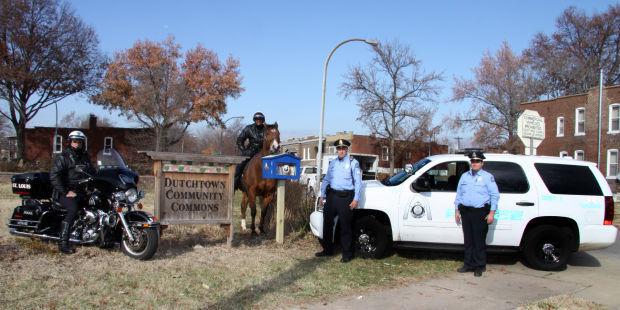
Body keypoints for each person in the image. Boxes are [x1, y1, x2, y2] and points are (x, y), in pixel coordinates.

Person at [315, 139, 362, 263]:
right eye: (339, 149)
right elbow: (326, 179)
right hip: (332, 196)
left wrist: (356, 199)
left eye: (343, 149)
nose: (341, 151)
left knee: (345, 226)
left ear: (347, 150)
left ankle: (347, 254)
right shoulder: (333, 163)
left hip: (346, 197)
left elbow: (358, 182)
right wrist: (322, 194)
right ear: (337, 150)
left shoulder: (353, 163)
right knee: (327, 223)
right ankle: (327, 250)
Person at [454, 150, 499, 277]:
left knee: (478, 240)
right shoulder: (464, 176)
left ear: (482, 163)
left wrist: (491, 213)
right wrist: (457, 210)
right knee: (468, 240)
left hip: (480, 212)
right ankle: (468, 264)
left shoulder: (487, 177)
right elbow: (459, 194)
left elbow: (495, 196)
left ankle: (479, 266)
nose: (474, 163)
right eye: (473, 161)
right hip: (466, 212)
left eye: (477, 161)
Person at [50, 130, 96, 254]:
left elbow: (91, 173)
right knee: (73, 209)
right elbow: (54, 176)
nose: (77, 144)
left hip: (80, 192)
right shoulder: (63, 157)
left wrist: (90, 188)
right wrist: (65, 192)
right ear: (70, 142)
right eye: (75, 141)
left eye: (80, 142)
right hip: (64, 193)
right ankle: (63, 243)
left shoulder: (85, 157)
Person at [234, 112, 266, 191]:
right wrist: (244, 150)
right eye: (256, 119)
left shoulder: (266, 129)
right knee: (239, 165)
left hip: (263, 151)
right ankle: (235, 183)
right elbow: (240, 139)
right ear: (254, 120)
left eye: (260, 119)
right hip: (251, 151)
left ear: (263, 120)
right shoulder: (249, 128)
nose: (258, 121)